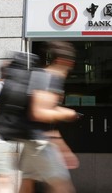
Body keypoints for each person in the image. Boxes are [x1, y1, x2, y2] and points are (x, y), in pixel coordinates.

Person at [17, 41, 79, 193]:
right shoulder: (48, 77)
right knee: (63, 187)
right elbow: (38, 113)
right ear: (62, 61)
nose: (69, 70)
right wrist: (67, 113)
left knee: (26, 185)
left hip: (35, 141)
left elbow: (46, 121)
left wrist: (62, 147)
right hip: (39, 144)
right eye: (69, 65)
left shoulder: (42, 76)